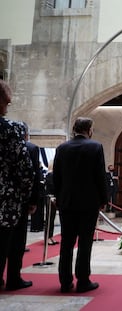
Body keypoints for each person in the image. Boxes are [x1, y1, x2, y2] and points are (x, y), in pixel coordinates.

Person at [53, 117, 107, 293]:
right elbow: (100, 176)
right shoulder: (95, 147)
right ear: (89, 130)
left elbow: (57, 177)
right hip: (88, 203)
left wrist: (59, 199)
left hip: (67, 203)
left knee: (66, 244)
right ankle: (83, 280)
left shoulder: (62, 148)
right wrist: (104, 199)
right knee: (85, 243)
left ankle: (65, 281)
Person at [0, 80, 35, 290]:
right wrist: (29, 197)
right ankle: (13, 277)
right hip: (9, 200)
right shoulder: (12, 129)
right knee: (11, 242)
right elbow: (24, 168)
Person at [44, 159, 59, 246]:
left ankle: (50, 236)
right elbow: (53, 186)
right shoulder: (50, 175)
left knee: (52, 218)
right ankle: (47, 237)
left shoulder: (54, 174)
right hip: (50, 198)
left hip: (53, 198)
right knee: (49, 219)